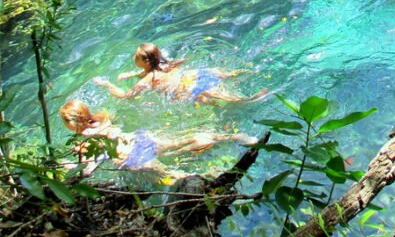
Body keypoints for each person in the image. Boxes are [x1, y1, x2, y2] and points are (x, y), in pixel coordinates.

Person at [59, 99, 258, 173]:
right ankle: (236, 137)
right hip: (142, 139)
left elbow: (88, 168)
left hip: (133, 157)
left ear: (74, 122)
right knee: (182, 141)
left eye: (66, 122)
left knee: (170, 174)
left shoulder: (84, 140)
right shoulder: (102, 118)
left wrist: (68, 166)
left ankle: (209, 178)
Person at [93, 42, 267, 105]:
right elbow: (181, 61)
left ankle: (248, 100)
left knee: (219, 97)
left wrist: (107, 84)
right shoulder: (164, 65)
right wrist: (131, 75)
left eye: (136, 57)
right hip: (191, 74)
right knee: (226, 74)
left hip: (186, 88)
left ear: (145, 62)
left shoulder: (148, 78)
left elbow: (125, 95)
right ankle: (246, 71)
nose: (133, 58)